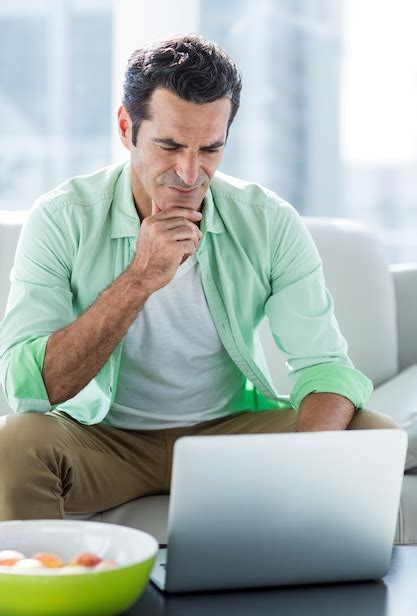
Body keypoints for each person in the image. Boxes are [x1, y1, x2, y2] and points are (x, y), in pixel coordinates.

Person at [0, 34, 397, 521]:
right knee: (16, 441)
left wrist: (307, 463)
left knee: (370, 432)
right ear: (127, 128)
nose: (190, 173)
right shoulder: (62, 217)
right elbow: (29, 388)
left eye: (210, 148)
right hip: (104, 440)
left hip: (226, 436)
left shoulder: (268, 220)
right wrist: (139, 279)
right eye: (169, 145)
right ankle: (45, 593)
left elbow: (324, 366)